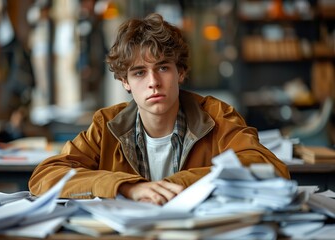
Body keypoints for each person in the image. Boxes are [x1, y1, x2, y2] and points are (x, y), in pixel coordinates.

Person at [29, 13, 290, 205]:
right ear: (125, 82)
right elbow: (44, 177)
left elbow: (271, 168)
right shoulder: (106, 125)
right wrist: (127, 187)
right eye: (139, 72)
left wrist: (176, 184)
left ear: (181, 72)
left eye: (163, 67)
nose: (153, 82)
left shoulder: (217, 116)